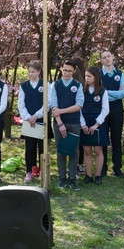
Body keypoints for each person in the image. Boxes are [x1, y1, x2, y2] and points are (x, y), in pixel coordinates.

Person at [50, 60, 84, 190]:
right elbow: (54, 105)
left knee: (74, 152)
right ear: (61, 70)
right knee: (61, 151)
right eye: (65, 70)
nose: (67, 73)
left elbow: (79, 105)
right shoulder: (55, 85)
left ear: (74, 71)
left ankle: (73, 179)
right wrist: (60, 124)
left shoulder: (78, 85)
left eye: (70, 71)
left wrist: (62, 111)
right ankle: (62, 179)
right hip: (59, 122)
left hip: (74, 122)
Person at [100, 50, 124, 178]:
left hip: (117, 109)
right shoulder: (99, 74)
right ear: (101, 60)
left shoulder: (120, 74)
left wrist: (107, 93)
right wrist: (115, 93)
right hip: (102, 109)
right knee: (103, 139)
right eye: (104, 57)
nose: (107, 59)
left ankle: (117, 168)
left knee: (116, 139)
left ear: (113, 57)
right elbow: (98, 92)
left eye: (108, 56)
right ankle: (103, 168)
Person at [80, 66, 109, 185]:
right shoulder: (82, 91)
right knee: (86, 150)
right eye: (85, 76)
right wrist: (83, 124)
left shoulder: (103, 91)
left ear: (96, 77)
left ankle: (98, 175)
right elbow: (79, 109)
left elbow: (105, 110)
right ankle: (88, 175)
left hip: (98, 123)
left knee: (98, 149)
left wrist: (96, 124)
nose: (86, 78)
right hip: (85, 122)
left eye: (89, 76)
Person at [18, 61, 44, 183]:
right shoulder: (24, 86)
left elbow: (47, 103)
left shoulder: (45, 85)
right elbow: (21, 104)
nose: (31, 74)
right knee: (30, 147)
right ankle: (31, 170)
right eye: (29, 72)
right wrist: (28, 117)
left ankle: (43, 170)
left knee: (42, 147)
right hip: (29, 122)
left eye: (33, 72)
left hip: (41, 120)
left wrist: (37, 115)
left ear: (39, 72)